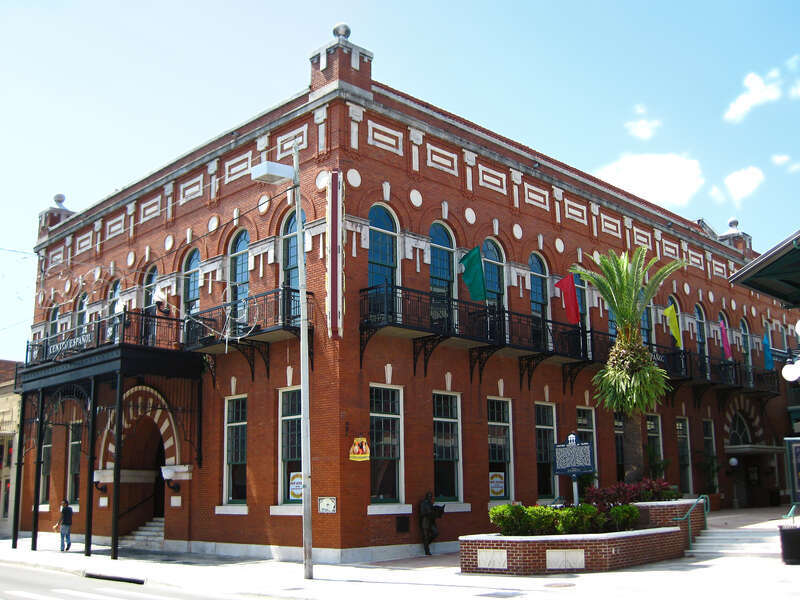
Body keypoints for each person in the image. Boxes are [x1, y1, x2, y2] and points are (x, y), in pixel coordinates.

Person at [419, 491, 444, 555]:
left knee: (435, 533)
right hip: (425, 521)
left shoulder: (430, 503)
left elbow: (433, 511)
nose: (430, 498)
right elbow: (422, 513)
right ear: (427, 497)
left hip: (431, 521)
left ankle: (426, 543)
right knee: (426, 536)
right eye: (429, 496)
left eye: (431, 496)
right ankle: (427, 550)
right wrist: (428, 513)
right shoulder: (423, 503)